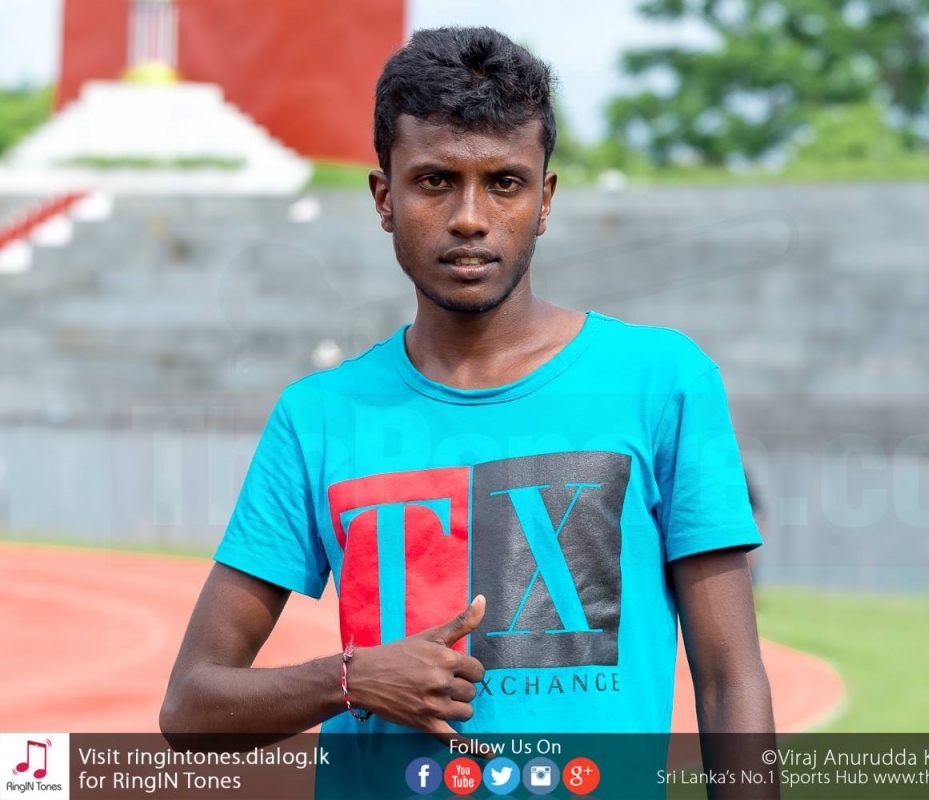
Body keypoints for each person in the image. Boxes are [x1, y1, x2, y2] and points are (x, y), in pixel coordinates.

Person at [160, 26, 774, 798]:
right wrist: (351, 679)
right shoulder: (318, 415)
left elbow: (729, 681)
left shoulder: (663, 380)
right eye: (435, 181)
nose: (470, 218)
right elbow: (190, 707)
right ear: (385, 199)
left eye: (505, 183)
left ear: (544, 201)